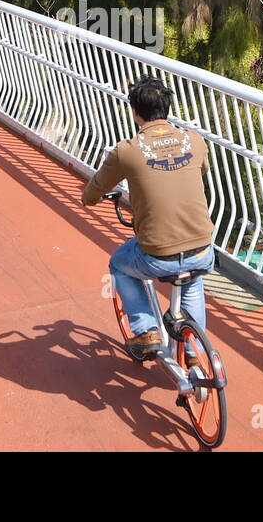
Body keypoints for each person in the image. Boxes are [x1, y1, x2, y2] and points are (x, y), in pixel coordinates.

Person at [81, 77, 216, 362]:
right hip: (204, 250)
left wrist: (90, 199)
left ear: (135, 111)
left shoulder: (127, 150)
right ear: (167, 108)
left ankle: (146, 331)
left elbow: (94, 191)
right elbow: (201, 169)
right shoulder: (194, 139)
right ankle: (195, 352)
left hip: (158, 255)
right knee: (192, 279)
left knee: (119, 264)